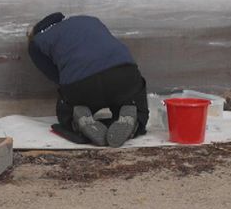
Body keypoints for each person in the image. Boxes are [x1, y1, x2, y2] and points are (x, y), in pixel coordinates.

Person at [26, 13, 148, 147]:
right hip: (123, 74)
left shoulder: (36, 43)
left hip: (83, 85)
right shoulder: (89, 20)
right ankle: (134, 119)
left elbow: (55, 76)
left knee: (67, 108)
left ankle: (77, 121)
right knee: (132, 96)